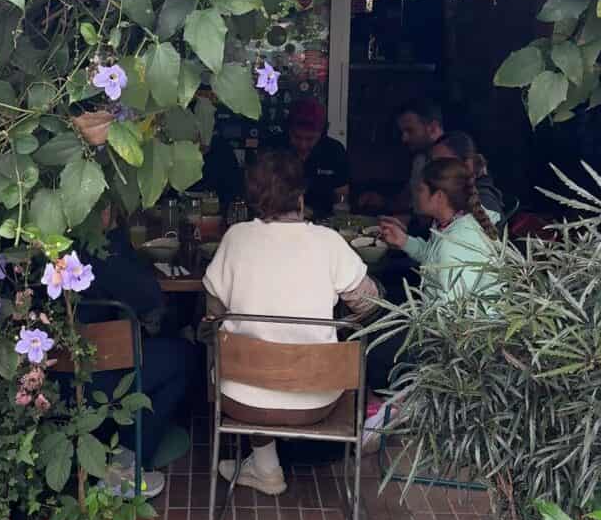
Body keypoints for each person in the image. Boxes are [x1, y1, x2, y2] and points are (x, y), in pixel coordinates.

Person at [203, 150, 379, 496]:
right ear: (301, 194)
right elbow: (368, 303)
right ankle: (268, 468)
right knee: (290, 358)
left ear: (253, 197)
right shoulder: (329, 242)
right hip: (317, 399)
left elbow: (214, 309)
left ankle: (266, 466)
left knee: (244, 350)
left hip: (240, 399)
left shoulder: (236, 238)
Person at [363, 157, 501, 444]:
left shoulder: (456, 241)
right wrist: (404, 241)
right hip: (445, 326)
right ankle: (397, 403)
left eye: (420, 190)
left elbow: (453, 312)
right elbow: (436, 261)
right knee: (379, 332)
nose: (416, 195)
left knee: (371, 352)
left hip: (463, 344)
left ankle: (404, 404)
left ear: (438, 196)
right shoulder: (456, 224)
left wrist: (409, 324)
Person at [78, 210, 198, 495]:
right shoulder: (101, 253)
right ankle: (128, 459)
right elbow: (151, 299)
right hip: (97, 380)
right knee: (184, 357)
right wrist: (117, 235)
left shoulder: (40, 248)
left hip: (50, 384)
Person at [286, 97, 350, 219]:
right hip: (279, 222)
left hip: (324, 223)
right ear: (288, 130)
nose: (303, 145)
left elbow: (342, 196)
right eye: (297, 137)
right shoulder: (274, 148)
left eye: (310, 139)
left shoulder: (334, 151)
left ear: (321, 133)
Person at [428, 131, 503, 224]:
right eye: (432, 164)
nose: (433, 170)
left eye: (442, 163)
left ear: (466, 164)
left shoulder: (484, 202)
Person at [396, 97, 445, 219]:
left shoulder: (453, 162)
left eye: (410, 130)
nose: (404, 138)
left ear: (433, 128)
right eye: (402, 132)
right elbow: (408, 200)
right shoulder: (419, 160)